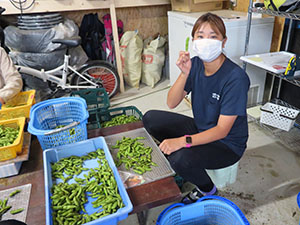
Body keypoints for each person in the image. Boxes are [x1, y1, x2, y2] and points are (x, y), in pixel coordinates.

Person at [143, 13, 250, 204]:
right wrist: (185, 73)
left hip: (227, 144)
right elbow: (171, 102)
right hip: (202, 129)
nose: (206, 41)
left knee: (180, 158)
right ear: (193, 40)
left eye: (213, 36)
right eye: (200, 36)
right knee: (150, 118)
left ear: (223, 42)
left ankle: (207, 189)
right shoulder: (197, 64)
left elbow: (222, 130)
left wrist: (182, 141)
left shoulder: (235, 78)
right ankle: (189, 162)